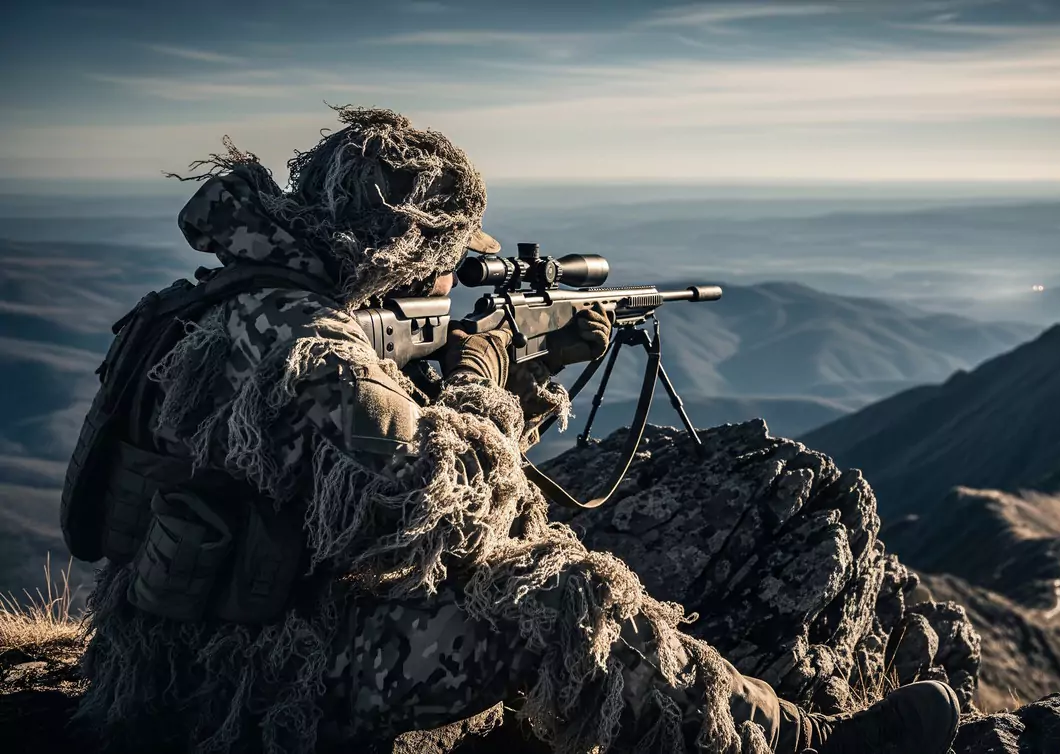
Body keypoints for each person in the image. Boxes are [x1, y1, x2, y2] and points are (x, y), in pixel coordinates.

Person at [71, 106, 961, 754]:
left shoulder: (233, 302)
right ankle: (805, 747)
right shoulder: (306, 340)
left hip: (180, 655)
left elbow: (347, 489)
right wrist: (483, 366)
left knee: (530, 562)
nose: (446, 279)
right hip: (247, 687)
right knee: (564, 595)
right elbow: (449, 503)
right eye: (441, 257)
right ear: (400, 243)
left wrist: (526, 371)